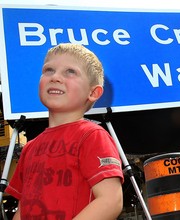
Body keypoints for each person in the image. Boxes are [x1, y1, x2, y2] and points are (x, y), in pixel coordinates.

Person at [5, 43, 124, 220]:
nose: (55, 77)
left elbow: (111, 200)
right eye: (49, 70)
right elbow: (23, 209)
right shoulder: (29, 149)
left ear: (93, 93)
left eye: (70, 72)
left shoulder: (92, 136)